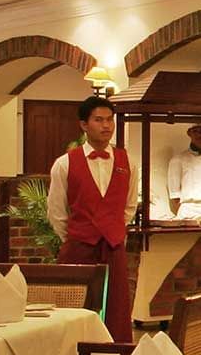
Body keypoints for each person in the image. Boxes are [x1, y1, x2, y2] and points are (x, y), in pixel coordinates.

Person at [46, 95, 139, 341]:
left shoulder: (128, 161)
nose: (106, 126)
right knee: (72, 313)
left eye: (110, 120)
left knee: (116, 313)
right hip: (78, 248)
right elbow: (56, 211)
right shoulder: (64, 163)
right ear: (84, 125)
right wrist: (80, 235)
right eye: (99, 120)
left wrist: (113, 229)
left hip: (114, 247)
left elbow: (129, 206)